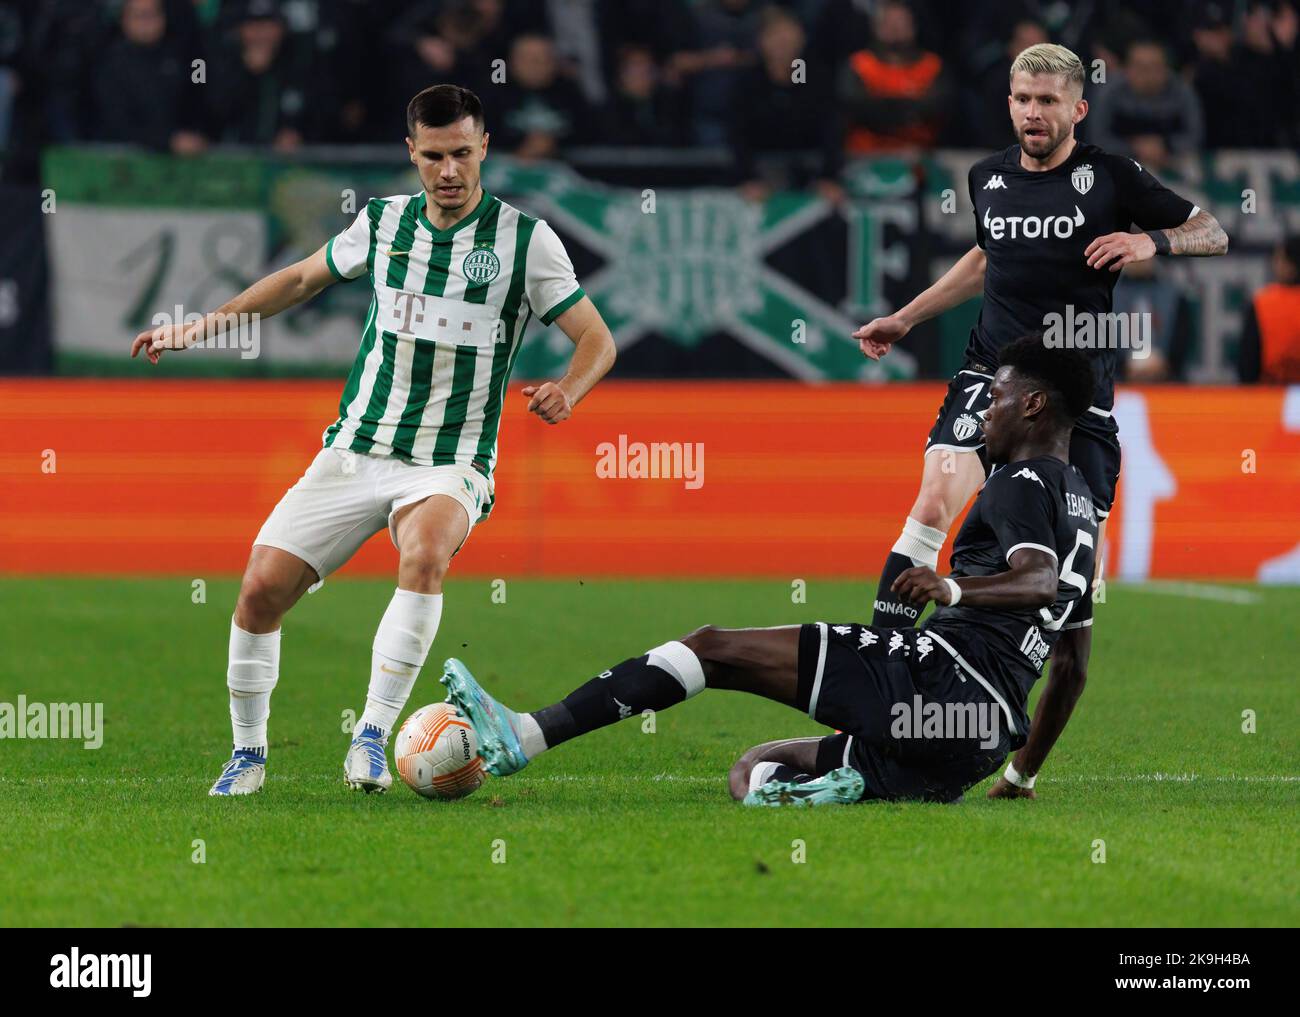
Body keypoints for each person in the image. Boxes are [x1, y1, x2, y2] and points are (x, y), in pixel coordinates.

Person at [129, 84, 617, 796]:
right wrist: (199, 326)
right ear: (411, 153)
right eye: (433, 156)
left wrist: (568, 390)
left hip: (451, 460)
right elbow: (299, 278)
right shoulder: (384, 223)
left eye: (461, 154)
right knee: (260, 589)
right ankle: (248, 755)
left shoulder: (524, 241)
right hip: (357, 446)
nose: (448, 171)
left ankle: (370, 736)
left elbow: (597, 339)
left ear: (484, 148)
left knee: (423, 553)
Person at [441, 336, 1099, 806]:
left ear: (1035, 405)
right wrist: (1020, 773)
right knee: (755, 765)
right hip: (976, 740)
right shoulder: (1083, 512)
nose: (985, 410)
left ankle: (525, 735)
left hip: (940, 677)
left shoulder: (1019, 481)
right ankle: (826, 790)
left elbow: (1035, 578)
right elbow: (1071, 666)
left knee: (711, 648)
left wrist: (950, 586)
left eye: (999, 397)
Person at [853, 43, 1227, 799]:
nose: (1032, 112)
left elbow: (1212, 230)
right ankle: (878, 672)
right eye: (1023, 99)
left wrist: (1148, 239)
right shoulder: (986, 178)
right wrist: (904, 315)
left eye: (1048, 101)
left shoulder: (1111, 178)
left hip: (1073, 407)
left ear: (1077, 110)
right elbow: (986, 259)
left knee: (1069, 622)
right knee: (933, 498)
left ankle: (1022, 771)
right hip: (990, 374)